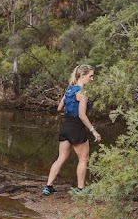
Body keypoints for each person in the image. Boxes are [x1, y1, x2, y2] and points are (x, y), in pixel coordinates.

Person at [42, 64, 102, 196]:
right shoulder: (82, 92)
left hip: (66, 126)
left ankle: (48, 187)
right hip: (76, 127)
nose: (92, 79)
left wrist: (71, 107)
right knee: (83, 159)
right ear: (82, 75)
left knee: (61, 157)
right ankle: (80, 190)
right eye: (90, 76)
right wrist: (93, 130)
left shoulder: (70, 90)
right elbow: (82, 115)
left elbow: (59, 108)